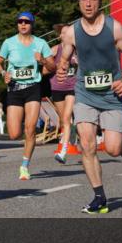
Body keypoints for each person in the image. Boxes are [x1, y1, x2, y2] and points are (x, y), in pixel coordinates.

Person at [55, 0, 122, 215]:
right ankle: (99, 197)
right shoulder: (71, 32)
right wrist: (61, 67)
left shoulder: (115, 28)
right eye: (84, 0)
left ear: (101, 2)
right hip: (85, 94)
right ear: (78, 2)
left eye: (92, 0)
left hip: (112, 95)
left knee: (112, 149)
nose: (88, 4)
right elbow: (65, 58)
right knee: (87, 145)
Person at [0, 12, 54, 180]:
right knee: (14, 133)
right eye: (20, 21)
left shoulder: (41, 43)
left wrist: (42, 60)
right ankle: (24, 147)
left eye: (26, 22)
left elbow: (53, 66)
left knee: (30, 129)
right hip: (14, 89)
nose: (23, 24)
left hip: (33, 88)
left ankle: (25, 166)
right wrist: (4, 72)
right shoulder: (9, 43)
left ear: (32, 24)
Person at [49, 23, 78, 164]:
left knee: (66, 118)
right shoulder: (55, 50)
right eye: (63, 33)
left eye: (69, 33)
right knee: (63, 120)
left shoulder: (77, 51)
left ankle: (63, 151)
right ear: (60, 36)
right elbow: (45, 67)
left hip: (72, 88)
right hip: (57, 88)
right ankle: (71, 129)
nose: (66, 35)